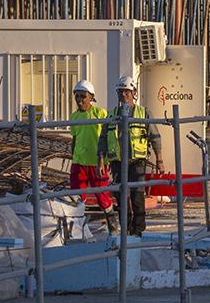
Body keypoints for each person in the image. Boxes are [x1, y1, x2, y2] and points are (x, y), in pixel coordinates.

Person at [99, 75, 163, 236]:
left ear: (134, 92)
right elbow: (103, 138)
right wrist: (101, 160)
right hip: (117, 161)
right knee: (121, 196)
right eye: (120, 92)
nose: (123, 95)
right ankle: (125, 229)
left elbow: (154, 136)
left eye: (127, 91)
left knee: (137, 195)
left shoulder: (143, 113)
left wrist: (160, 160)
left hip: (137, 161)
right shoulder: (112, 115)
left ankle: (138, 229)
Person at [68, 79, 117, 233]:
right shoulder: (74, 116)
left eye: (83, 96)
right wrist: (72, 157)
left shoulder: (100, 114)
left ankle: (112, 223)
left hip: (97, 162)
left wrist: (107, 159)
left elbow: (109, 137)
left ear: (91, 97)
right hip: (79, 162)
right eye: (77, 96)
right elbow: (75, 138)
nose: (79, 100)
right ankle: (77, 229)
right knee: (77, 196)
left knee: (102, 196)